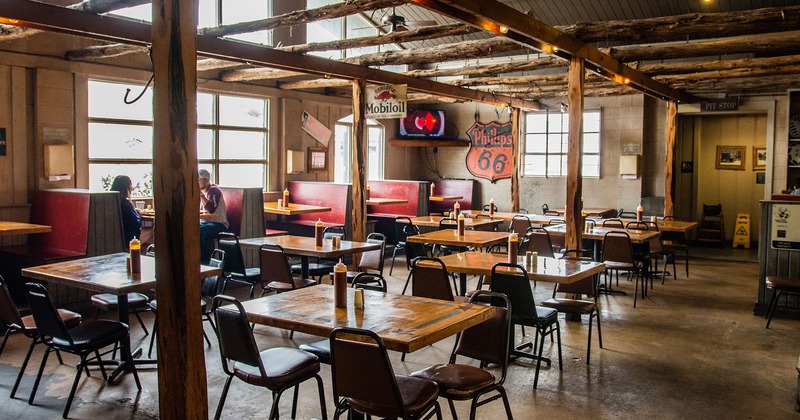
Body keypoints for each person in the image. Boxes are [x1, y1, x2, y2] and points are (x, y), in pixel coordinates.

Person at [198, 169, 229, 263]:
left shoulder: (213, 191)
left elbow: (211, 209)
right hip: (207, 223)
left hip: (219, 224)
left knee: (199, 232)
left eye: (199, 180)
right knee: (189, 229)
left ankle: (204, 263)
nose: (197, 182)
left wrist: (200, 195)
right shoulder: (205, 192)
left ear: (207, 180)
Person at [110, 175, 142, 246]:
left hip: (116, 239)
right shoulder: (126, 203)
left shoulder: (111, 202)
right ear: (127, 187)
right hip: (129, 239)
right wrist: (138, 214)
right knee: (150, 233)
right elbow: (136, 223)